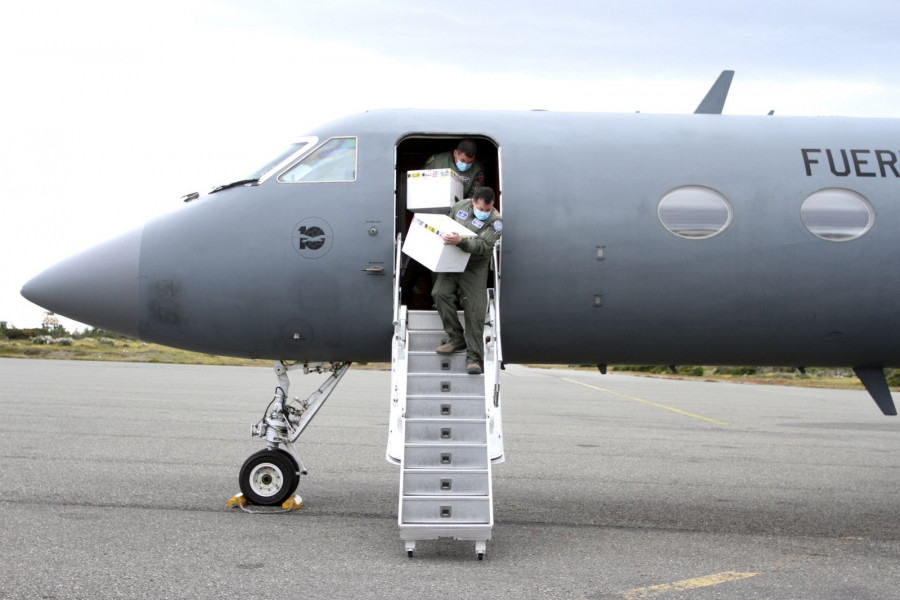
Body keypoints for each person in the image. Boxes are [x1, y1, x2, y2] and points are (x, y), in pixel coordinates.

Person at [432, 187, 502, 375]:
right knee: (439, 293)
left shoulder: (496, 222)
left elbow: (482, 246)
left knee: (475, 310)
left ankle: (474, 358)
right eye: (481, 209)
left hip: (474, 266)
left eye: (488, 209)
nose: (485, 213)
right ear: (473, 202)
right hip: (453, 258)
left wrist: (460, 242)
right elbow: (447, 224)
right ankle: (456, 338)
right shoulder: (459, 207)